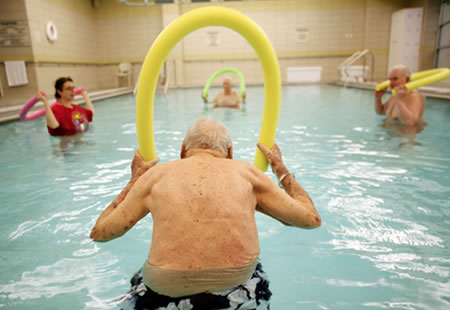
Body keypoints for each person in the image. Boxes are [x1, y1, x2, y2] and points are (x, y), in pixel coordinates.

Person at [90, 118, 321, 310]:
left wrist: (134, 180)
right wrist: (280, 169)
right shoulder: (248, 175)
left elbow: (101, 233)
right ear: (230, 152)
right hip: (233, 293)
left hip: (162, 292)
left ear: (183, 149)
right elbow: (310, 219)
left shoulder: (155, 177)